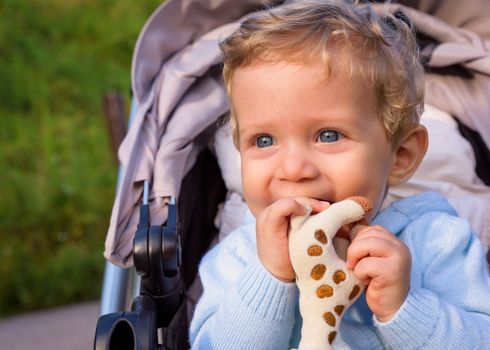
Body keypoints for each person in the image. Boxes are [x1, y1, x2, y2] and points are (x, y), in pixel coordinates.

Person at [189, 0, 490, 348]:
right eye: (264, 140)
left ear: (401, 156)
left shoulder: (437, 241)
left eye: (328, 135)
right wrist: (270, 277)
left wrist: (404, 307)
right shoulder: (240, 254)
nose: (293, 169)